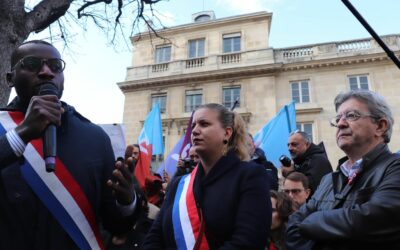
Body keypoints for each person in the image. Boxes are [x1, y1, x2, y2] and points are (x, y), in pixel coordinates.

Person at [0, 40, 140, 249]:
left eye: (55, 66)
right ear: (10, 78)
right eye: (32, 64)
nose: (46, 72)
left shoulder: (95, 137)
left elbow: (116, 226)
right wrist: (21, 134)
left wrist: (127, 201)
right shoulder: (4, 127)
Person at [143, 103, 271, 249]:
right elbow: (155, 235)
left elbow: (248, 240)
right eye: (193, 126)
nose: (195, 131)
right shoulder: (179, 184)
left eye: (204, 124)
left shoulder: (250, 176)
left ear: (227, 133)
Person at [286, 90, 400, 249]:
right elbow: (292, 227)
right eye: (338, 118)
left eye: (352, 115)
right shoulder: (328, 180)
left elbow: (376, 220)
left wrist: (314, 221)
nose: (340, 124)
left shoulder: (395, 168)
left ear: (380, 126)